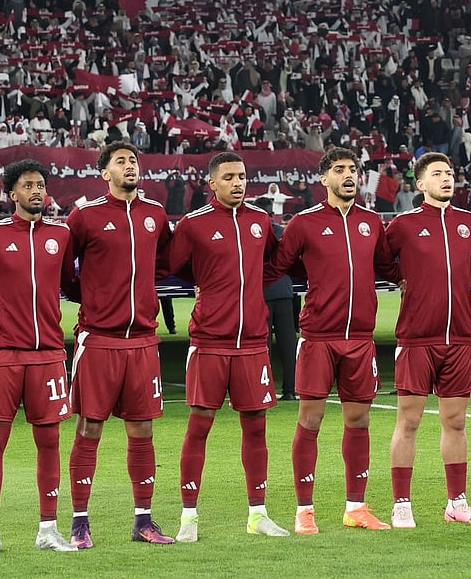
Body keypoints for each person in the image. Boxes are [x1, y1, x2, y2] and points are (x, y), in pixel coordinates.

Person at [264, 147, 395, 535]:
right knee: (311, 419)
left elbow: (390, 267)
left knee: (359, 421)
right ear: (324, 180)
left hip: (361, 339)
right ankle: (305, 511)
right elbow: (274, 268)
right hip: (319, 336)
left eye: (353, 169)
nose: (348, 175)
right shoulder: (304, 223)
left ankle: (356, 507)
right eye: (339, 170)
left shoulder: (372, 222)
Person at [168, 152, 290, 542]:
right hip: (210, 341)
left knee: (256, 427)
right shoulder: (192, 224)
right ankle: (189, 517)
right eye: (229, 177)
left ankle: (258, 514)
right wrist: (208, 284)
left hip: (254, 342)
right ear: (212, 184)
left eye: (242, 176)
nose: (238, 183)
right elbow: (177, 266)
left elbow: (271, 263)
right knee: (199, 425)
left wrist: (252, 289)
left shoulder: (259, 221)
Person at [0, 159, 80, 555]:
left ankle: (48, 529)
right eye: (28, 185)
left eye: (41, 185)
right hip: (3, 353)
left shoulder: (61, 235)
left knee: (49, 443)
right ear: (12, 194)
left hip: (48, 354)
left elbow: (69, 283)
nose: (36, 192)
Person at [65, 141, 174, 548]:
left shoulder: (155, 214)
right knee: (89, 427)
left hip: (143, 339)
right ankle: (80, 524)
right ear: (105, 173)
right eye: (121, 162)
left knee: (142, 429)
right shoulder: (86, 216)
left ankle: (144, 521)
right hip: (99, 340)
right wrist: (90, 296)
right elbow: (63, 269)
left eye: (133, 160)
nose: (130, 166)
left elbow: (164, 261)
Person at [383, 153, 471, 528]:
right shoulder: (403, 224)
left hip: (459, 338)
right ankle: (401, 504)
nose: (447, 179)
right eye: (437, 175)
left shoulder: (468, 223)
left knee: (456, 423)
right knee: (408, 422)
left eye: (450, 174)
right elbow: (381, 260)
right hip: (416, 338)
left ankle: (456, 503)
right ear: (421, 184)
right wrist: (402, 277)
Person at [255, 196, 296, 400]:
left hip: (262, 293)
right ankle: (291, 389)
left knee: (263, 344)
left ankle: (265, 389)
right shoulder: (282, 232)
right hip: (284, 292)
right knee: (288, 342)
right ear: (272, 213)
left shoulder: (253, 232)